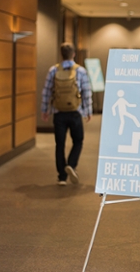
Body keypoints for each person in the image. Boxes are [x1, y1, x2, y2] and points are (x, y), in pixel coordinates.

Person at [41, 42, 93, 186]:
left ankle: (62, 176)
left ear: (61, 54)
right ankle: (71, 164)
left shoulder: (53, 70)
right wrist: (88, 110)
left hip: (59, 113)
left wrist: (45, 110)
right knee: (78, 141)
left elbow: (46, 91)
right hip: (75, 112)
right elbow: (86, 92)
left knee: (60, 144)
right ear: (74, 54)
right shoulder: (80, 71)